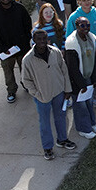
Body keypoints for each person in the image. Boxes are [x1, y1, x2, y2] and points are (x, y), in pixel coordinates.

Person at [21, 29, 76, 161]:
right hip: (42, 97)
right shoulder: (27, 59)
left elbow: (64, 70)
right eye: (39, 39)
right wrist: (37, 94)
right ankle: (48, 147)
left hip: (58, 92)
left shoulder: (55, 52)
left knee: (61, 117)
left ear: (48, 39)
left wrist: (67, 89)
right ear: (34, 40)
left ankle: (62, 139)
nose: (42, 42)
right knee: (44, 122)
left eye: (44, 39)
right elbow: (26, 81)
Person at [0, 0, 32, 103]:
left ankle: (27, 85)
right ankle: (11, 91)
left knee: (25, 69)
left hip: (22, 47)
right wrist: (2, 48)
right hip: (5, 50)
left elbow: (28, 25)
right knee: (8, 73)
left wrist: (26, 41)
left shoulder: (20, 8)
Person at [65, 17, 96, 140]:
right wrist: (81, 85)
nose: (85, 28)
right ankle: (83, 129)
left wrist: (95, 78)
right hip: (78, 80)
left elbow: (95, 60)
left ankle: (92, 123)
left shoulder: (92, 38)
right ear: (76, 26)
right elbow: (72, 68)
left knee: (89, 102)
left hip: (89, 76)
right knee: (81, 105)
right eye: (82, 26)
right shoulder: (71, 43)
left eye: (88, 25)